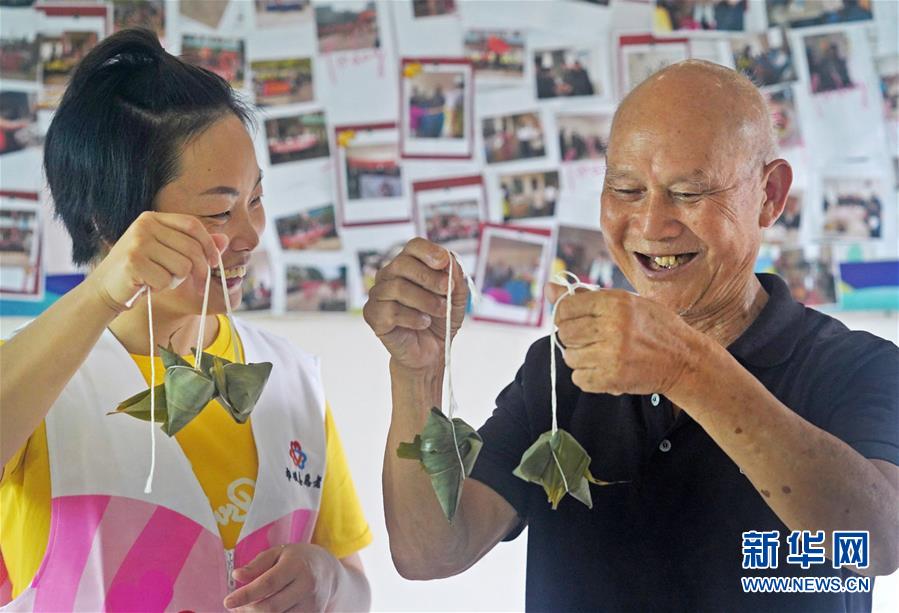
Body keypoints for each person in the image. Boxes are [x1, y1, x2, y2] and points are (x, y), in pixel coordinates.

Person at [362, 60, 898, 611]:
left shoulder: (857, 366)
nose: (649, 225)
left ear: (770, 195)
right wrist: (416, 373)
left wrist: (688, 368)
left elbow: (878, 541)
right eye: (625, 188)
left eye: (689, 194)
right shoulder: (563, 368)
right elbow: (430, 551)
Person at [0, 29, 371, 611]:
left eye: (255, 199)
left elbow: (355, 586)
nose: (250, 234)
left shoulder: (293, 381)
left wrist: (327, 581)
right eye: (221, 210)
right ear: (107, 221)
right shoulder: (37, 379)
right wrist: (102, 291)